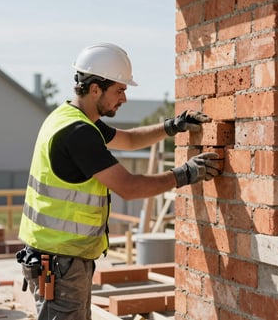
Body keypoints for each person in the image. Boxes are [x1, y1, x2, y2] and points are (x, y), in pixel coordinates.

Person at [16, 42, 221, 320]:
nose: (124, 98)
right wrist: (186, 174)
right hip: (60, 263)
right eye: (120, 90)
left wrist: (172, 126)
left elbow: (130, 139)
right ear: (95, 88)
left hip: (61, 259)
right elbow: (130, 187)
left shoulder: (72, 119)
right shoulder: (78, 133)